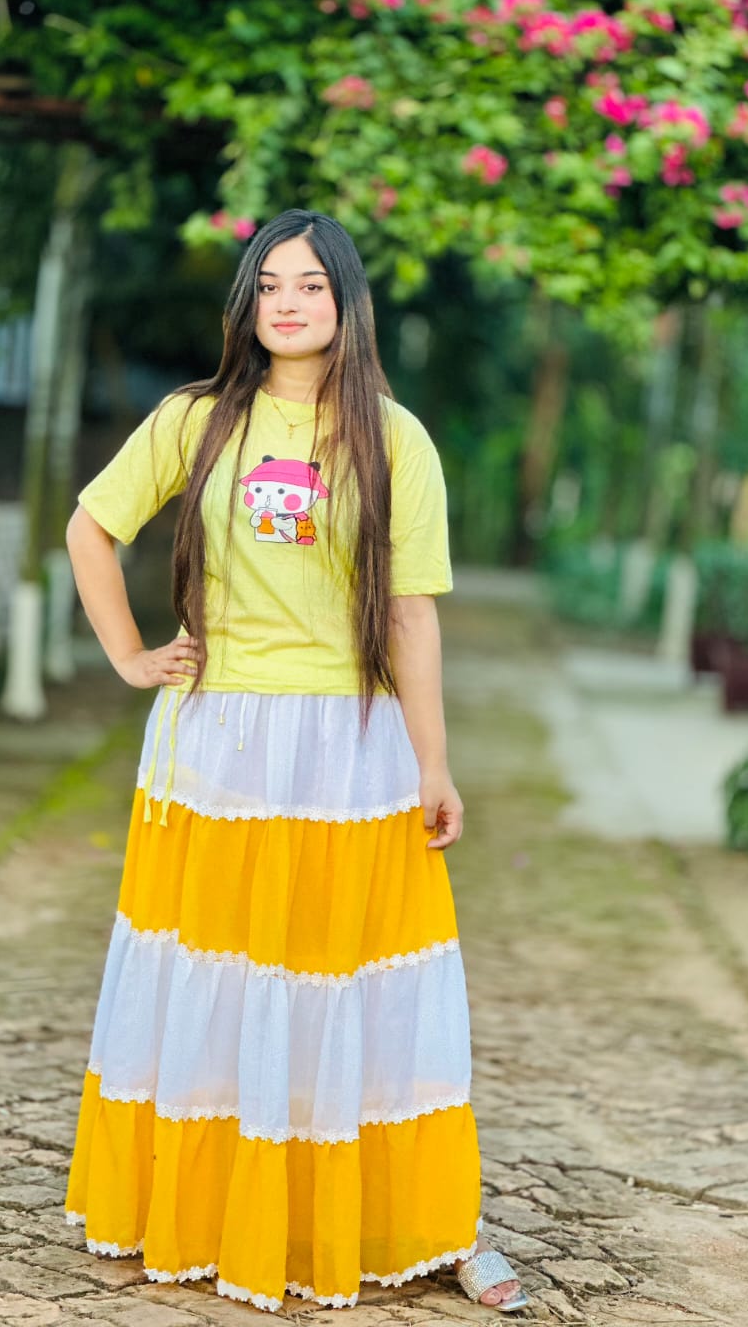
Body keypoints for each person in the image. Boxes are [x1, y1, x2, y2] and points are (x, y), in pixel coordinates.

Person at [62, 209, 529, 1313]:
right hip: (217, 744)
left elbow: (410, 614)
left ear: (346, 302)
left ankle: (417, 1223)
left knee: (356, 980)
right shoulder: (195, 420)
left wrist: (434, 763)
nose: (287, 302)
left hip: (351, 747)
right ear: (246, 303)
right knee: (218, 979)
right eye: (269, 283)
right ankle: (202, 1215)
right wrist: (130, 656)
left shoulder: (394, 439)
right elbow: (91, 528)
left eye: (311, 284)